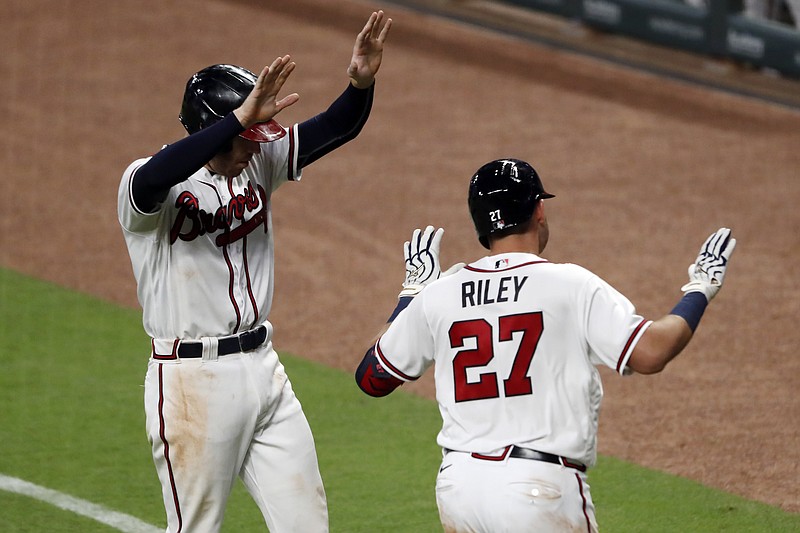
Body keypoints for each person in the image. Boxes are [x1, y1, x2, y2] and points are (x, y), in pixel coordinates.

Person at [117, 11, 391, 533]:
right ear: (212, 130)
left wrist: (360, 84)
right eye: (244, 135)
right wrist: (234, 123)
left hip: (265, 373)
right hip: (190, 382)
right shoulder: (149, 185)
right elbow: (159, 173)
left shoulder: (257, 162)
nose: (253, 147)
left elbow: (336, 128)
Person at [355, 158, 736, 532]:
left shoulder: (440, 293)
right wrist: (699, 289)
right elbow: (651, 352)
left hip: (460, 489)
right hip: (539, 490)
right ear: (539, 210)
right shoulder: (569, 284)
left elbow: (372, 378)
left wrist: (411, 294)